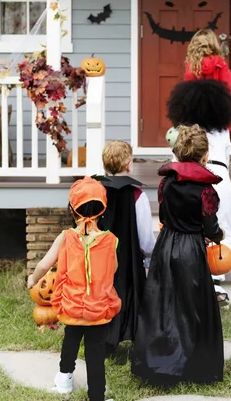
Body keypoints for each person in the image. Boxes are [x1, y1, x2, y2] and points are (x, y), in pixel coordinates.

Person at [131, 124, 225, 385]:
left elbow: (163, 216)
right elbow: (210, 227)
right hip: (191, 250)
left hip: (167, 245)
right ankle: (193, 366)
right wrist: (218, 236)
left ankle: (161, 363)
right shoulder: (206, 191)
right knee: (192, 307)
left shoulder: (166, 183)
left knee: (164, 305)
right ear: (204, 156)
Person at [27, 177, 121, 401]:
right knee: (95, 354)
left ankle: (64, 381)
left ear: (72, 209)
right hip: (98, 310)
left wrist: (33, 278)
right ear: (103, 210)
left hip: (71, 306)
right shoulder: (111, 240)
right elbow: (114, 268)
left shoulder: (65, 237)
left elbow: (44, 264)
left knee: (70, 344)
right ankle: (97, 395)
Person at [167, 78, 231, 306]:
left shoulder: (182, 131)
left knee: (187, 226)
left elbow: (176, 154)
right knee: (221, 226)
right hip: (218, 176)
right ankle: (216, 281)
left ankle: (189, 280)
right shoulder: (223, 131)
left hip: (185, 174)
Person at [94, 140, 155, 353]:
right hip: (128, 260)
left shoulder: (95, 191)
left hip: (99, 258)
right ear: (129, 164)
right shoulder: (137, 195)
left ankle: (101, 338)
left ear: (104, 165)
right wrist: (148, 258)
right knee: (127, 295)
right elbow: (145, 235)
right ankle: (129, 334)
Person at [183, 28, 231, 118]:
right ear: (213, 44)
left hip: (197, 117)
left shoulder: (192, 66)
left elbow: (187, 95)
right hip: (218, 117)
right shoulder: (219, 63)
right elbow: (228, 87)